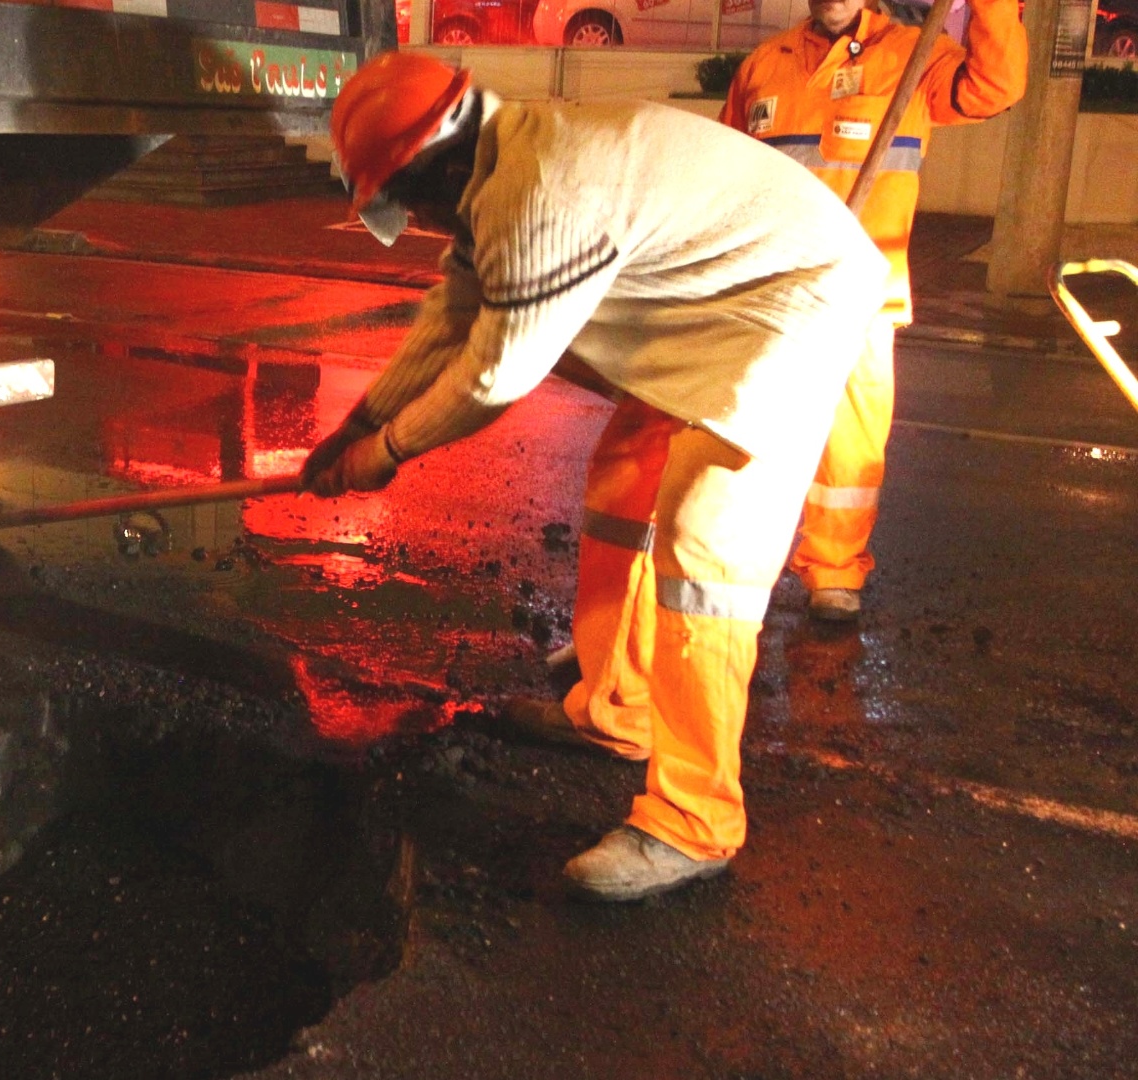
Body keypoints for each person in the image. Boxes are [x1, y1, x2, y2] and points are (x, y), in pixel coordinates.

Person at [301, 53, 887, 901]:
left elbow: (493, 375)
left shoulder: (545, 192)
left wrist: (385, 452)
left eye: (411, 200)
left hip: (792, 301)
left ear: (436, 167)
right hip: (706, 300)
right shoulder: (500, 168)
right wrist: (358, 423)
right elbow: (454, 315)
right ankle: (619, 710)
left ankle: (694, 822)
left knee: (703, 539)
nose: (421, 221)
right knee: (623, 474)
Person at [721, 0, 1026, 621]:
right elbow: (727, 173)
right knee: (741, 432)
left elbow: (995, 87)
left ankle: (833, 573)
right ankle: (728, 557)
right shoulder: (763, 65)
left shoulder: (913, 56)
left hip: (862, 293)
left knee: (850, 451)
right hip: (772, 290)